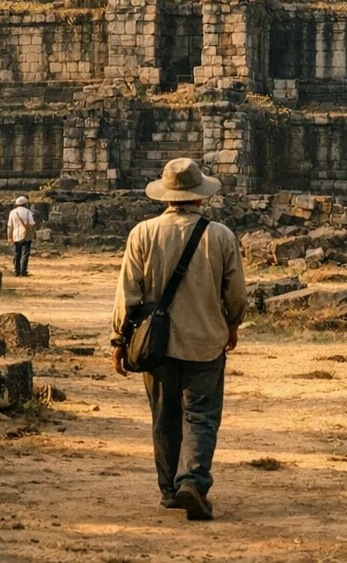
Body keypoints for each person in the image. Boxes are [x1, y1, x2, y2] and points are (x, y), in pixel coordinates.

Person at [111, 158, 246, 521]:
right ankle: (194, 481)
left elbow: (128, 293)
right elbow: (235, 292)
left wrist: (118, 340)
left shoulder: (142, 233)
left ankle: (171, 490)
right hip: (206, 341)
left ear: (167, 196)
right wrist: (232, 325)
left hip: (155, 344)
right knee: (201, 416)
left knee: (164, 416)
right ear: (200, 197)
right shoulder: (220, 235)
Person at [7, 195, 34, 277]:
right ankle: (23, 271)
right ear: (25, 204)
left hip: (16, 235)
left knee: (17, 253)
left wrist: (9, 237)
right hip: (26, 235)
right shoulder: (28, 212)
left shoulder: (12, 212)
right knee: (25, 253)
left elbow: (9, 226)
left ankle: (16, 270)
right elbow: (32, 223)